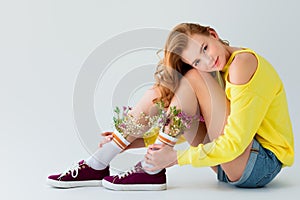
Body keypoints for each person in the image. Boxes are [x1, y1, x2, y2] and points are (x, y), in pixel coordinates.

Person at [47, 23, 294, 190]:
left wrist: (174, 158)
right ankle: (102, 159)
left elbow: (235, 142)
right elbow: (193, 123)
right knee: (166, 88)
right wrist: (132, 143)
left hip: (260, 164)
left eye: (205, 48)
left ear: (213, 33)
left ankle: (147, 167)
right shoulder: (216, 70)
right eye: (197, 59)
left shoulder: (242, 64)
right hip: (230, 162)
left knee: (194, 78)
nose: (208, 60)